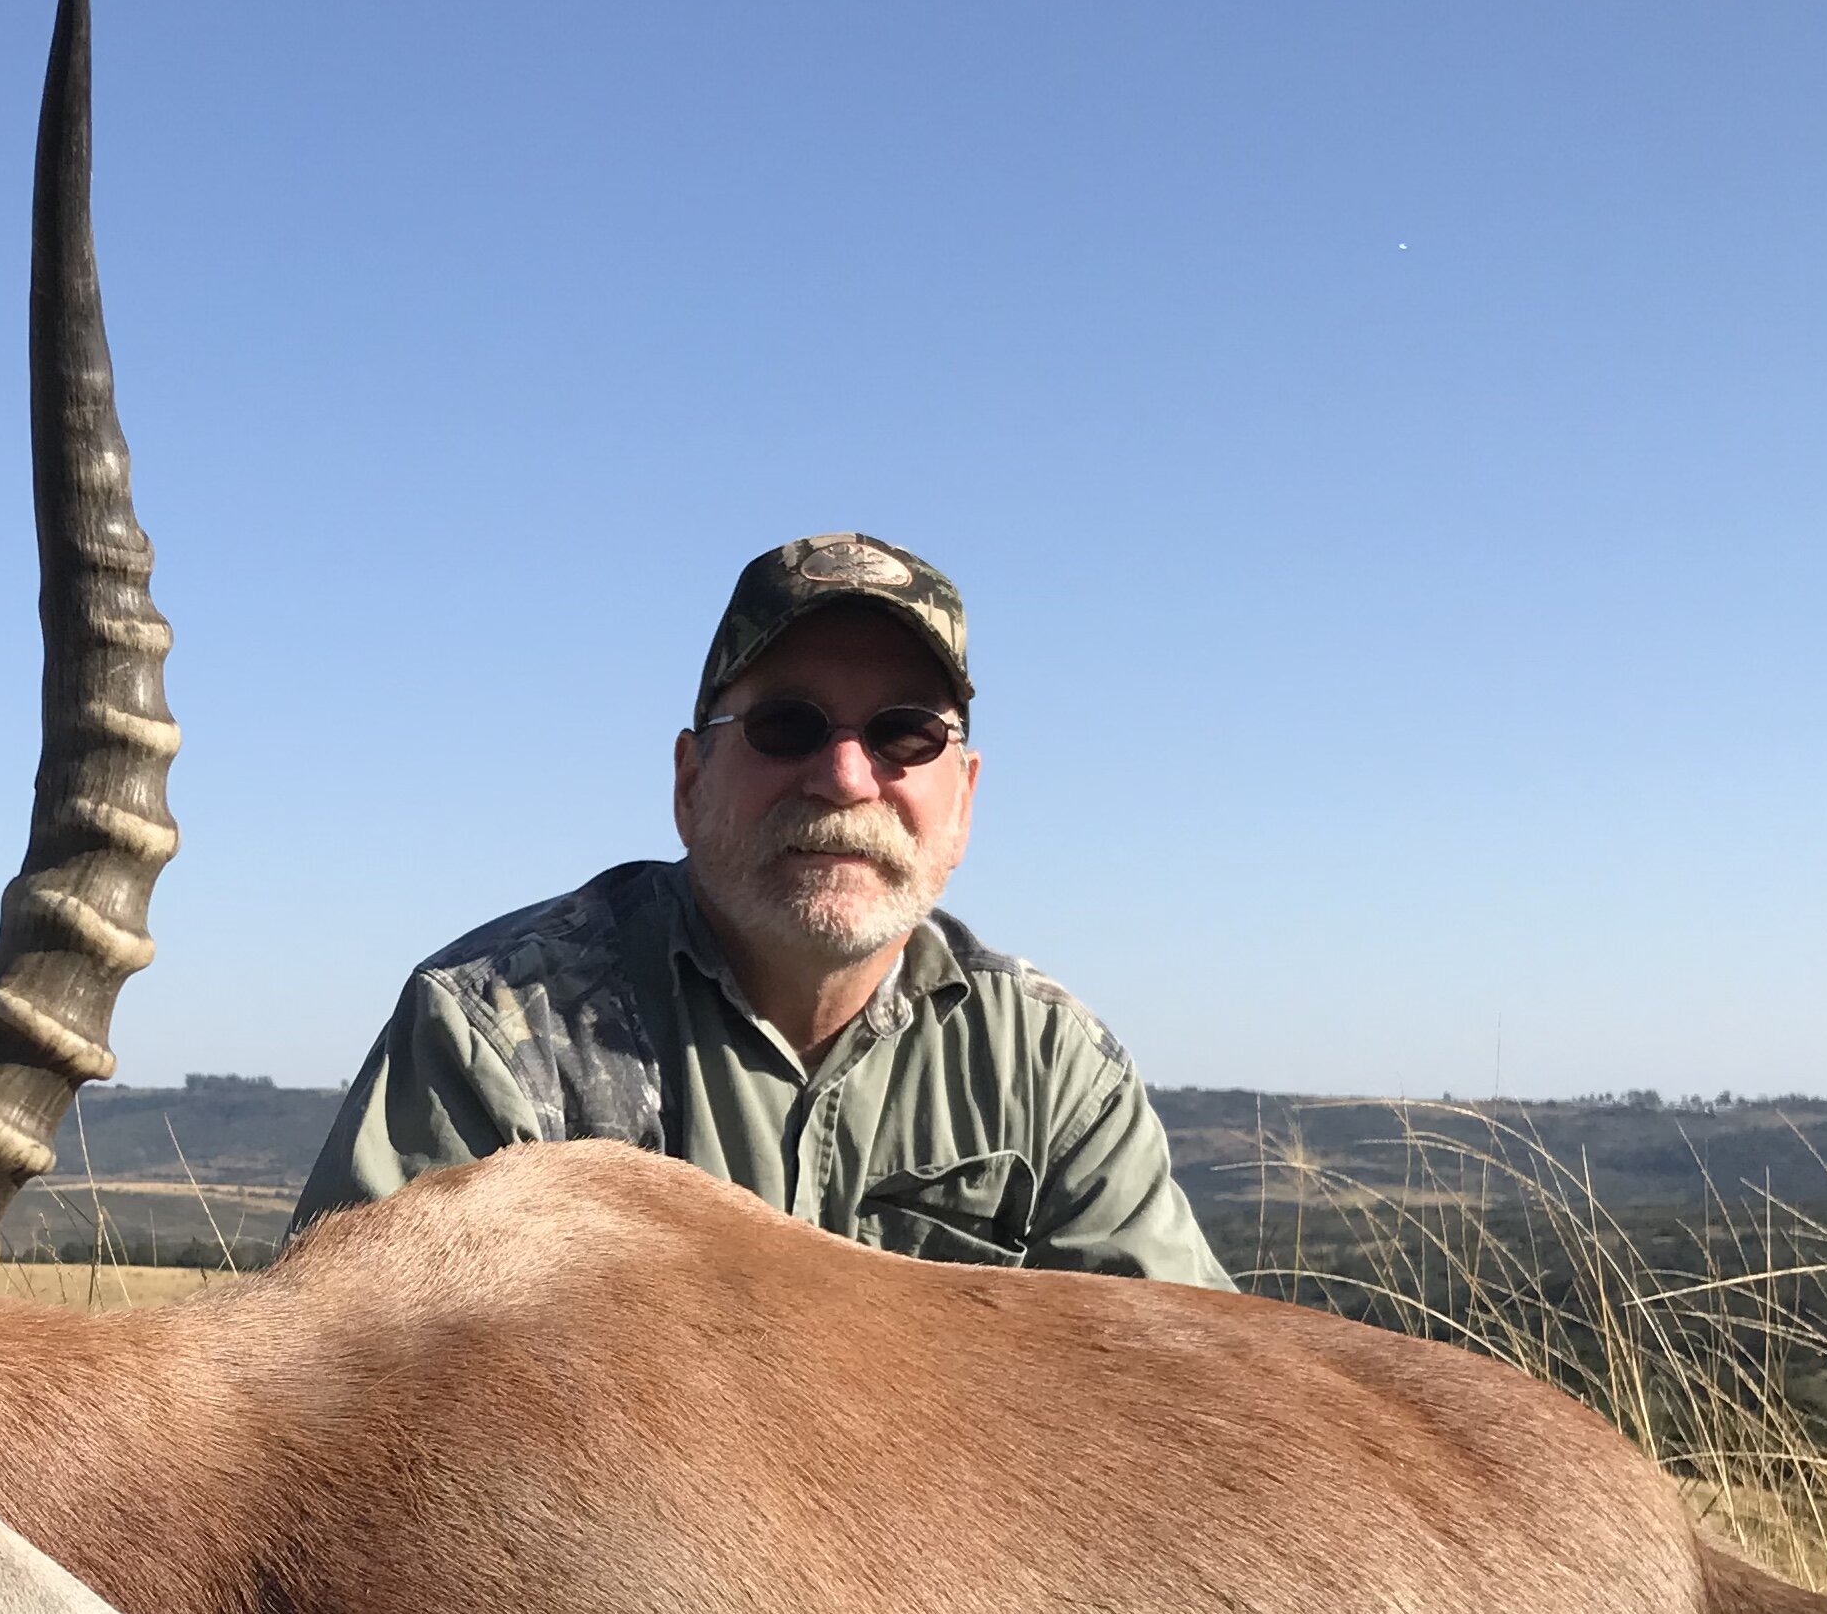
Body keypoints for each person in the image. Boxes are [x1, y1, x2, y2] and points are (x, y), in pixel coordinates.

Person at [292, 532, 1230, 1282]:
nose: (845, 778)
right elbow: (356, 1417)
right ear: (690, 782)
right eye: (788, 727)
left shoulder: (1052, 1070)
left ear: (966, 799)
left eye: (907, 733)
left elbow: (1182, 1401)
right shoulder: (492, 1035)